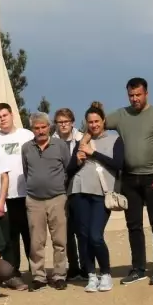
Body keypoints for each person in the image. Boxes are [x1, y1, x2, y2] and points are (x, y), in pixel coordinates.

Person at [106, 78, 153, 285]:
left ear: (146, 93)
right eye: (131, 95)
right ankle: (138, 268)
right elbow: (97, 123)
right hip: (129, 178)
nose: (135, 99)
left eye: (138, 94)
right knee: (133, 225)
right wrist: (95, 111)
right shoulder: (121, 115)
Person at [67, 103, 123, 293]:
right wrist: (78, 159)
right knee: (83, 236)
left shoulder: (115, 139)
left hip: (101, 193)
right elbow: (70, 170)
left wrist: (93, 153)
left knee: (95, 235)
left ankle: (105, 273)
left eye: (97, 121)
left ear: (103, 121)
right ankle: (91, 274)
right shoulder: (81, 141)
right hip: (78, 191)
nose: (93, 125)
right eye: (90, 122)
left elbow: (118, 164)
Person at [21, 112, 73, 290]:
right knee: (36, 241)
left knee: (60, 240)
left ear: (49, 127)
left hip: (57, 198)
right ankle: (38, 276)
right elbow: (27, 171)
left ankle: (59, 275)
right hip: (34, 200)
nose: (41, 130)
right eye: (37, 128)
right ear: (32, 129)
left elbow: (68, 169)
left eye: (44, 127)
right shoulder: (26, 148)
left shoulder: (60, 146)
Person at [0, 103, 33, 290]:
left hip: (27, 193)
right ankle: (12, 273)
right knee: (9, 238)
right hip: (5, 197)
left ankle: (36, 271)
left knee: (30, 235)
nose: (2, 119)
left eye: (5, 115)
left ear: (12, 115)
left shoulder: (26, 135)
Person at [53, 108, 84, 280]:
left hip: (79, 188)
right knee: (66, 231)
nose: (63, 125)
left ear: (72, 122)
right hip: (60, 190)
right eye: (60, 122)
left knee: (82, 229)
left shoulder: (81, 138)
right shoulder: (52, 141)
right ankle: (73, 266)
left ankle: (87, 266)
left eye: (66, 121)